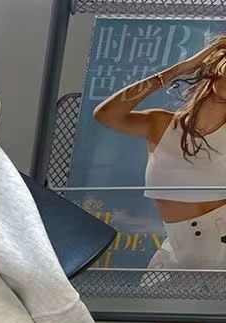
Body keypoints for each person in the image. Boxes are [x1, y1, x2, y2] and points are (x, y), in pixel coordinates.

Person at [94, 35, 226, 270]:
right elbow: (106, 115)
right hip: (175, 248)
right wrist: (181, 68)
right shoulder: (160, 124)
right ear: (214, 66)